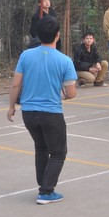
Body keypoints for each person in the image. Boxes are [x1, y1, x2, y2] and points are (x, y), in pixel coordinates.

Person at [8, 16, 77, 204]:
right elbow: (71, 93)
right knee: (58, 152)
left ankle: (43, 184)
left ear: (38, 35)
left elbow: (15, 85)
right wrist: (62, 94)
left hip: (29, 113)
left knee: (41, 147)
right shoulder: (65, 60)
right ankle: (46, 191)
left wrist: (11, 107)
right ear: (58, 35)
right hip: (51, 114)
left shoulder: (26, 55)